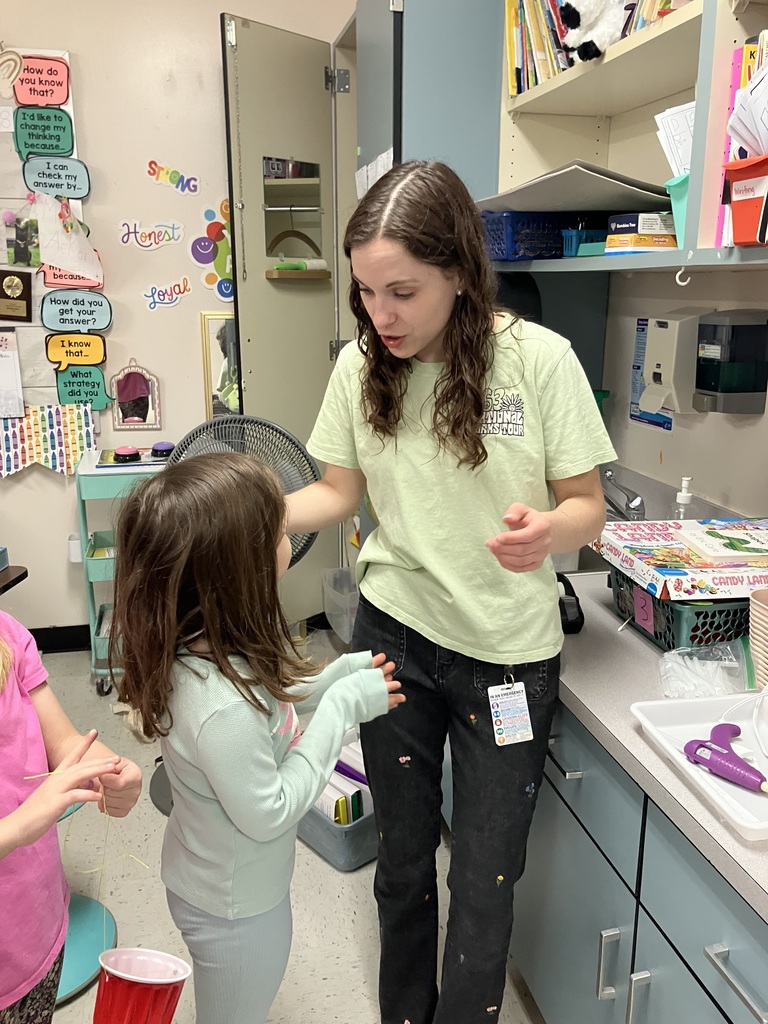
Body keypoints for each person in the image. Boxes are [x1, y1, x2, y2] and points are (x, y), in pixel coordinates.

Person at [285, 160, 618, 1024]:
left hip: (507, 659)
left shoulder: (540, 363)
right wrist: (242, 512)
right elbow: (336, 494)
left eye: (401, 291)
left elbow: (591, 507)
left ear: (462, 275)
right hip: (395, 636)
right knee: (401, 862)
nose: (379, 316)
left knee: (483, 878)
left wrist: (553, 529)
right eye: (364, 292)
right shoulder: (362, 367)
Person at [109, 451, 405, 1024]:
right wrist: (341, 708)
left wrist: (329, 681)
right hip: (232, 909)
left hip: (218, 880)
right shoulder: (218, 705)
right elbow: (268, 810)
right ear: (234, 572)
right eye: (277, 533)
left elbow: (267, 714)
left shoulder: (208, 643)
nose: (288, 538)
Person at [0, 611, 142, 1024]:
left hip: (37, 932)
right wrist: (16, 828)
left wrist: (113, 770)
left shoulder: (9, 634)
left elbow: (63, 743)